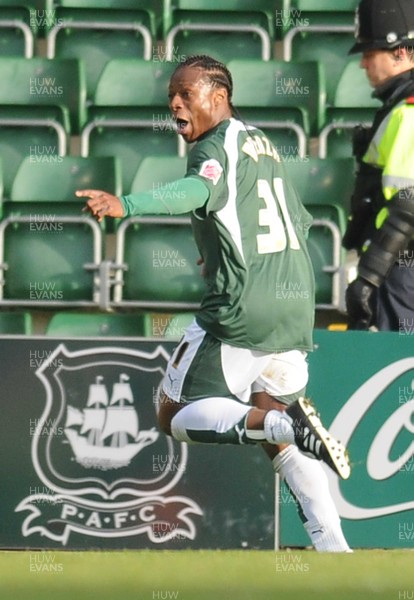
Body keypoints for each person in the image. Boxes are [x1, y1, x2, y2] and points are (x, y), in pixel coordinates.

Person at [77, 55, 351, 552]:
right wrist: (220, 251)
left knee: (174, 414)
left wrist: (128, 205)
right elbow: (301, 221)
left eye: (186, 94)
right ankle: (335, 548)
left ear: (219, 96)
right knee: (277, 436)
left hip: (244, 306)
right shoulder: (262, 143)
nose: (175, 104)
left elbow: (197, 189)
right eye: (170, 98)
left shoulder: (214, 144)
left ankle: (286, 422)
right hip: (294, 301)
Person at [343, 0, 414, 331]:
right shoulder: (399, 108)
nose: (362, 64)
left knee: (398, 367)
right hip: (398, 263)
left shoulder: (408, 112)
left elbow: (407, 205)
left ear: (400, 52)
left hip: (402, 267)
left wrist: (370, 277)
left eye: (370, 54)